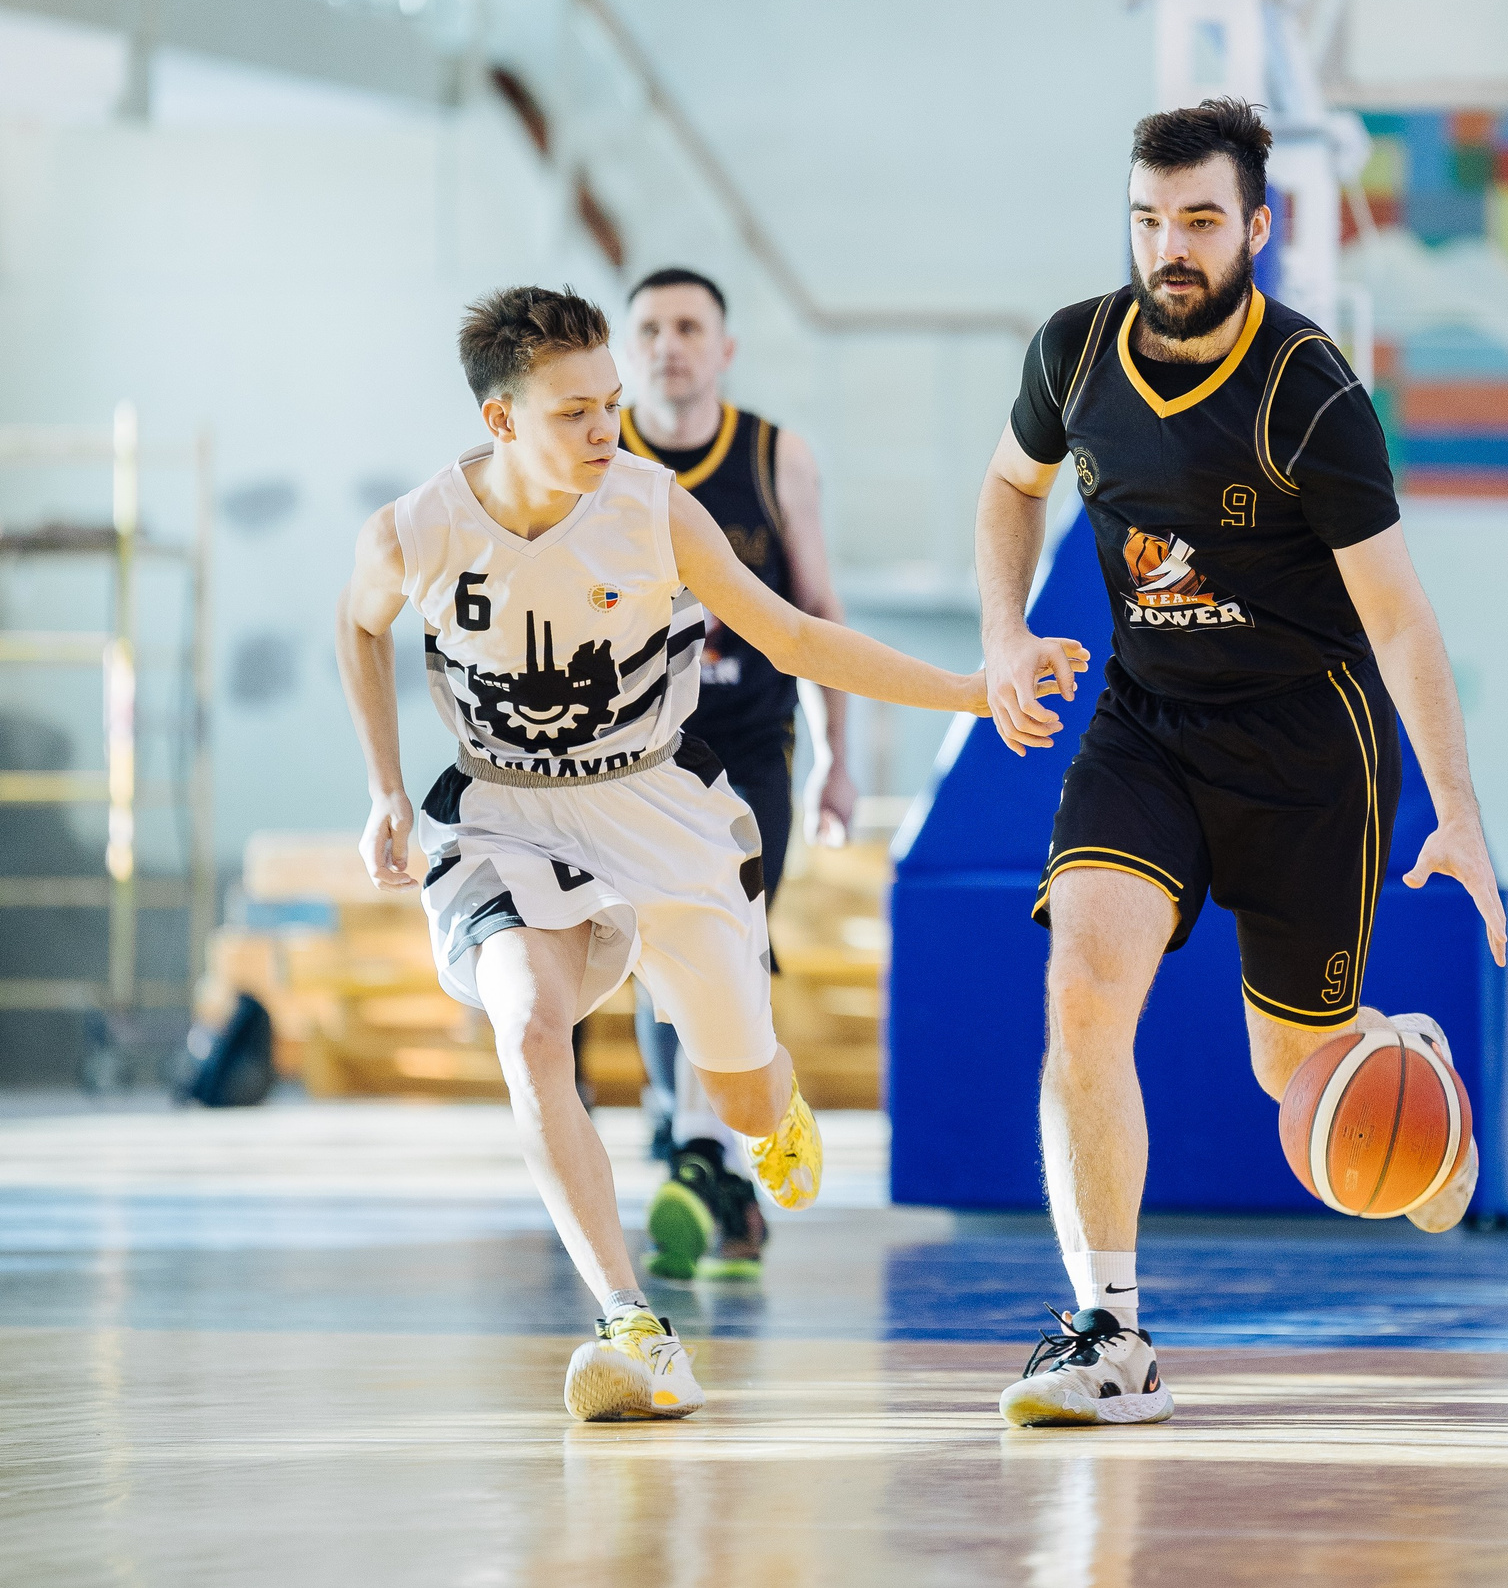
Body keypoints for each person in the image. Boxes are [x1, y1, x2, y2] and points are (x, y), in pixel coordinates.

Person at [337, 285, 1076, 1420]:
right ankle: (631, 1323)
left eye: (610, 403)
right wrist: (386, 786)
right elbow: (358, 620)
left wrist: (971, 691)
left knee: (738, 1094)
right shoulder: (414, 529)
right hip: (502, 812)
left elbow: (795, 635)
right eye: (576, 412)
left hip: (653, 807)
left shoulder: (653, 508)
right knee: (530, 1029)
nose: (607, 428)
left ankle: (771, 1097)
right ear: (500, 421)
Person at [973, 99, 1507, 1428]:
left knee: (1296, 1083)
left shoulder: (1309, 392)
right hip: (1147, 724)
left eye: (1201, 220)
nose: (1172, 246)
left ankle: (1401, 1066)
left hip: (1307, 751)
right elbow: (1009, 486)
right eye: (1149, 219)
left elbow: (1399, 617)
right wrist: (1002, 632)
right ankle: (1110, 1331)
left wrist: (1458, 810)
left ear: (1257, 227)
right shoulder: (1073, 352)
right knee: (1082, 988)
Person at [617, 266, 860, 1285]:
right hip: (633, 752)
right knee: (654, 947)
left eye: (688, 327)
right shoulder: (596, 455)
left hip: (751, 744)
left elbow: (818, 613)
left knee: (729, 935)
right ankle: (700, 1142)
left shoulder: (775, 457)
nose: (668, 344)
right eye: (649, 328)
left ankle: (707, 1154)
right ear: (628, 349)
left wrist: (839, 755)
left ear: (723, 349)